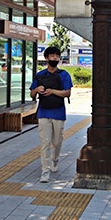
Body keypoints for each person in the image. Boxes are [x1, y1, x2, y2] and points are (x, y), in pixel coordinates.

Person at [29, 47, 72, 183]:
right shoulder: (40, 75)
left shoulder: (64, 75)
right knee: (45, 143)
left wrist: (52, 91)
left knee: (57, 142)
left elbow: (67, 93)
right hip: (43, 112)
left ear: (59, 59)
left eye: (56, 56)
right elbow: (31, 94)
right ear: (46, 58)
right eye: (51, 56)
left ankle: (55, 159)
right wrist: (37, 89)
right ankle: (45, 170)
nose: (54, 58)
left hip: (59, 112)